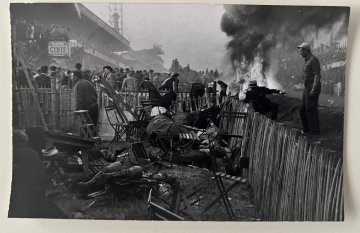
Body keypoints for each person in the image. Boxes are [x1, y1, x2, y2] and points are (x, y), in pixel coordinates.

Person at [8, 129, 67, 218]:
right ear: (25, 140)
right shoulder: (33, 153)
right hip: (33, 198)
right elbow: (41, 178)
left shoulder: (8, 153)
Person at [297, 42, 321, 135]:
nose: (300, 53)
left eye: (301, 51)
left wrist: (313, 89)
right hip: (307, 87)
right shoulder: (307, 61)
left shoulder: (313, 60)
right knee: (302, 109)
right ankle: (306, 130)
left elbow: (317, 76)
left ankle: (315, 132)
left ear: (306, 50)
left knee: (311, 109)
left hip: (312, 86)